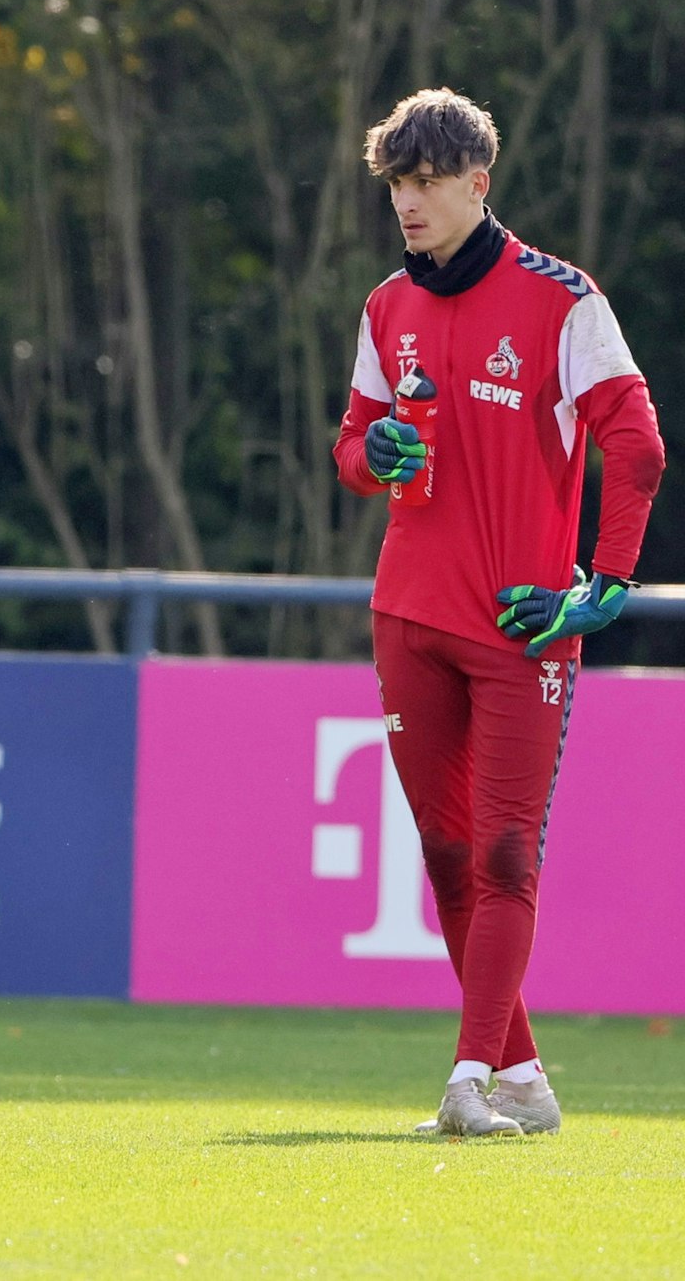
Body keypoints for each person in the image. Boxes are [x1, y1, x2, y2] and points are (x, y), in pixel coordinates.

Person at [334, 87, 664, 1137]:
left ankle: (467, 1081)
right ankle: (518, 1075)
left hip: (524, 627)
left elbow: (638, 448)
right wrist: (371, 454)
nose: (408, 202)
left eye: (428, 182)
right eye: (397, 184)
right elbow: (351, 447)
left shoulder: (562, 301)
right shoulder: (385, 307)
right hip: (406, 617)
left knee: (506, 854)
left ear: (479, 183)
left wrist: (602, 586)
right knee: (444, 852)